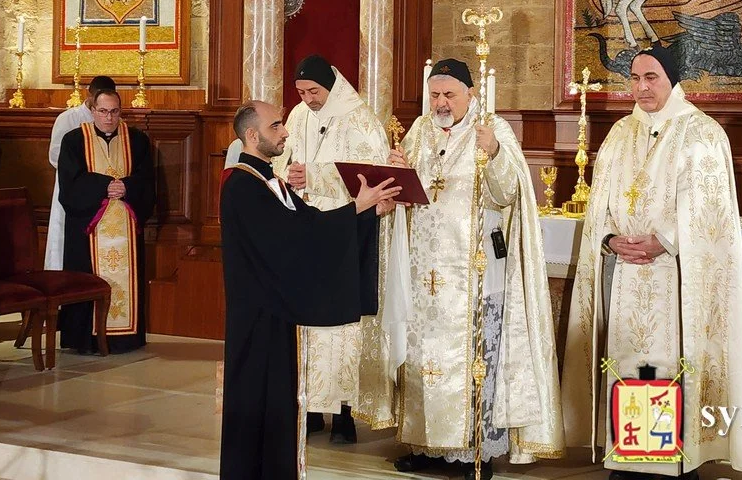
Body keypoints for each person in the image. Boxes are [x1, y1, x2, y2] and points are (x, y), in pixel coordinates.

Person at [561, 46, 742, 479]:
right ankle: (632, 454)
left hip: (674, 275)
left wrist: (664, 241)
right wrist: (611, 238)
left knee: (664, 363)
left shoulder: (702, 133)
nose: (640, 87)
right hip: (626, 273)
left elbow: (708, 211)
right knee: (629, 361)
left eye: (650, 77)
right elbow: (600, 205)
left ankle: (670, 458)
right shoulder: (619, 133)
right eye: (634, 78)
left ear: (672, 79)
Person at [368, 58, 564, 480]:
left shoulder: (492, 129)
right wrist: (395, 173)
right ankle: (427, 445)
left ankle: (477, 449)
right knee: (421, 360)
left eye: (449, 95)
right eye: (434, 94)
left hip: (473, 271)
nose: (440, 102)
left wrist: (493, 152)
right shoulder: (420, 130)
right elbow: (407, 194)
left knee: (474, 360)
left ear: (470, 95)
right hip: (423, 271)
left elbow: (509, 192)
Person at [219, 100, 400, 480]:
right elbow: (294, 237)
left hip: (277, 315)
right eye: (276, 125)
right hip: (257, 319)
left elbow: (309, 223)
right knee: (256, 405)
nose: (285, 131)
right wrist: (355, 208)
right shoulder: (241, 185)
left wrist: (367, 213)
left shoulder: (270, 181)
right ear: (252, 135)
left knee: (278, 405)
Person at [272, 55, 392, 443]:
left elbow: (373, 177)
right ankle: (308, 408)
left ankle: (343, 414)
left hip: (346, 230)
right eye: (302, 93)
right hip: (306, 230)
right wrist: (286, 173)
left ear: (332, 86)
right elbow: (281, 160)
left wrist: (316, 175)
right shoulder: (297, 116)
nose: (308, 99)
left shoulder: (361, 119)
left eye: (314, 92)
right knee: (306, 319)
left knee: (342, 324)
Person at [57, 89, 154, 354]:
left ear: (120, 111)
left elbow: (147, 181)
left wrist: (127, 188)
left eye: (114, 111)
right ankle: (84, 339)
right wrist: (104, 186)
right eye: (103, 111)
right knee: (84, 279)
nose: (109, 118)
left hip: (127, 226)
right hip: (87, 230)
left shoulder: (137, 140)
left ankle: (126, 338)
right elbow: (69, 184)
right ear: (92, 111)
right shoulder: (74, 140)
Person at [44, 76, 117, 270]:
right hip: (74, 185)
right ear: (89, 94)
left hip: (102, 189)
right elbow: (55, 155)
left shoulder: (113, 118)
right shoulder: (68, 118)